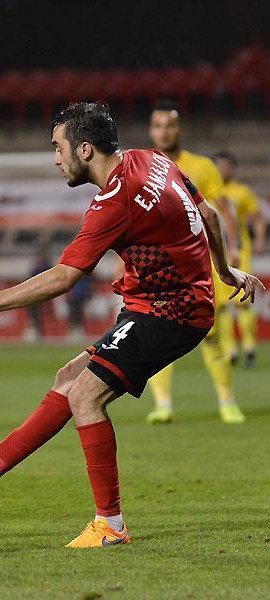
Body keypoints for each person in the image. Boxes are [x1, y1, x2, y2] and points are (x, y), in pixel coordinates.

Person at [0, 102, 262, 548]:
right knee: (69, 378)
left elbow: (64, 277)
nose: (55, 158)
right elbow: (211, 215)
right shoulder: (152, 160)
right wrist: (225, 270)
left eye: (57, 147)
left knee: (85, 396)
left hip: (170, 311)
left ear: (84, 149)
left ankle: (110, 526)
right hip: (162, 305)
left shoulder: (114, 202)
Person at [145, 100, 246, 424]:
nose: (164, 132)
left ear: (180, 129)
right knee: (156, 334)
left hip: (199, 263)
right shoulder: (142, 166)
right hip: (158, 267)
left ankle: (227, 401)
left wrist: (231, 251)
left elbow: (223, 210)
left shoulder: (202, 166)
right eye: (158, 126)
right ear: (151, 130)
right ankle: (163, 405)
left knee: (212, 334)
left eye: (170, 125)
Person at [214, 151, 267, 368]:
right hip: (217, 254)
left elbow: (257, 218)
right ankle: (230, 349)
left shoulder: (242, 192)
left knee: (244, 301)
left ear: (233, 169)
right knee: (222, 305)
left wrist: (260, 239)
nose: (222, 170)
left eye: (226, 166)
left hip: (240, 252)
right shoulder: (209, 191)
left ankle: (249, 346)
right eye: (219, 166)